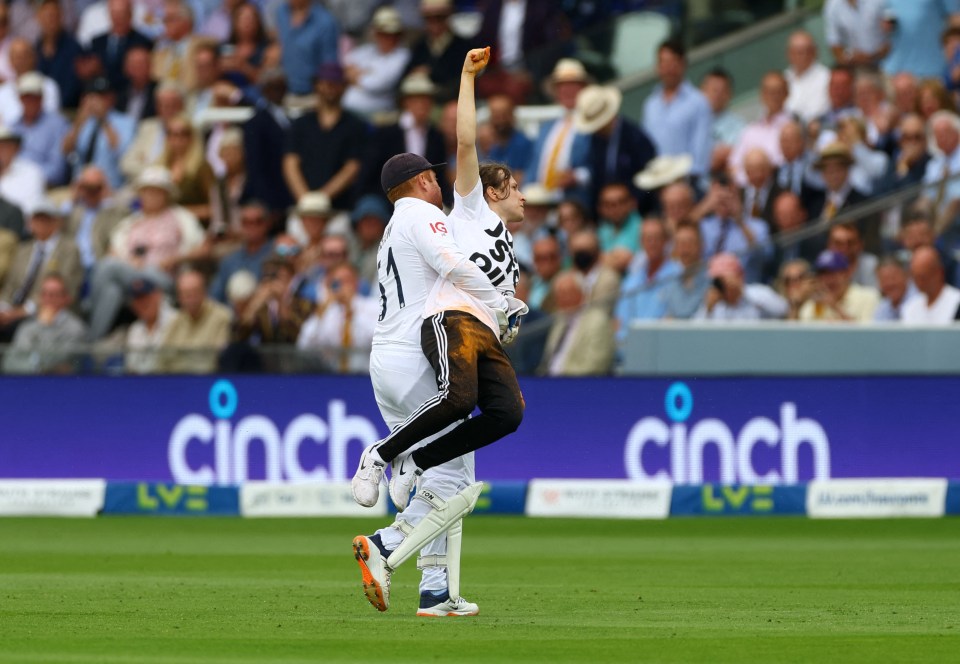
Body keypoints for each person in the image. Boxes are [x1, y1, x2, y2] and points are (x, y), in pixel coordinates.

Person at [350, 48, 525, 618]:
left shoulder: (409, 224)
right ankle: (386, 538)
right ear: (424, 182)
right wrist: (467, 78)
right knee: (452, 477)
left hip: (396, 351)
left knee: (451, 472)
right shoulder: (446, 213)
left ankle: (436, 589)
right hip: (423, 345)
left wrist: (502, 311)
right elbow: (467, 144)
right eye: (516, 186)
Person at [283, 62, 368, 212]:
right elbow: (290, 162)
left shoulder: (355, 125)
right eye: (325, 83)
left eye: (335, 83)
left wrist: (322, 198)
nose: (330, 87)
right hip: (301, 209)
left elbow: (352, 167)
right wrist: (304, 199)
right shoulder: (300, 123)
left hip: (339, 209)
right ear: (316, 85)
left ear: (343, 87)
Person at [0, 201, 84, 341]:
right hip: (12, 309)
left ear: (56, 222)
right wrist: (4, 307)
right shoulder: (23, 250)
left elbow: (63, 288)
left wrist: (21, 311)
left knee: (19, 330)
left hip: (44, 310)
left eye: (46, 219)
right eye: (37, 219)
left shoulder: (69, 249)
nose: (40, 223)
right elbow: (10, 285)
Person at [573, 84, 656, 212]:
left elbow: (650, 173)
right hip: (606, 209)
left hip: (635, 208)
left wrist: (634, 201)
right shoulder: (595, 139)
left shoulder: (634, 136)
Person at [642, 38, 712, 185]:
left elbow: (700, 152)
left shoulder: (698, 102)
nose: (667, 69)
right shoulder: (650, 104)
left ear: (682, 64)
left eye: (671, 63)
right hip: (656, 184)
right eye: (663, 63)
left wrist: (687, 180)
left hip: (687, 184)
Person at [525, 58, 590, 200]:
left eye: (573, 85)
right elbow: (534, 166)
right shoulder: (547, 127)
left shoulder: (591, 124)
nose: (567, 90)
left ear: (583, 89)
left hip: (573, 201)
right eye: (562, 86)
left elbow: (597, 165)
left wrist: (577, 176)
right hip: (540, 202)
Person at [296, 261, 378, 373]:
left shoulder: (373, 306)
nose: (342, 286)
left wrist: (351, 313)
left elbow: (376, 340)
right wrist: (320, 314)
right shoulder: (328, 311)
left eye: (347, 280)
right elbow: (304, 345)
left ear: (356, 283)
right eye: (337, 282)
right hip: (333, 376)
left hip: (366, 375)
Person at [1, 273, 87, 374]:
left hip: (60, 385)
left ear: (66, 298)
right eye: (44, 294)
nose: (48, 299)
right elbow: (10, 362)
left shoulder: (76, 329)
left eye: (53, 295)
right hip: (25, 383)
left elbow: (55, 361)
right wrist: (35, 367)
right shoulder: (27, 326)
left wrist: (44, 326)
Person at [155, 267, 232, 373]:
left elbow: (215, 361)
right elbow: (161, 361)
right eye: (185, 294)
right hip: (175, 382)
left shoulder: (222, 317)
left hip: (207, 382)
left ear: (204, 292)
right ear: (179, 297)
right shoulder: (175, 320)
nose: (190, 298)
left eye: (194, 292)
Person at [539, 270, 615, 376]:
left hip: (578, 383)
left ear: (582, 293)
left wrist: (563, 378)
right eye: (559, 294)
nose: (563, 299)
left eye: (567, 293)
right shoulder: (560, 321)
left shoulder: (598, 321)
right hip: (549, 381)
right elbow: (547, 360)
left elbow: (596, 365)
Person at [614, 216, 681, 335]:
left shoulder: (678, 274)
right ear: (641, 242)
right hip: (632, 347)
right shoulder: (631, 280)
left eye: (657, 238)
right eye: (647, 239)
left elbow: (675, 319)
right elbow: (621, 324)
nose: (652, 243)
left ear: (666, 240)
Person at [341, 6, 410, 118]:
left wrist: (355, 75)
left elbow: (374, 84)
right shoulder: (369, 50)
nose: (387, 38)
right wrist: (364, 73)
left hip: (378, 113)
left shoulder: (402, 56)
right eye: (382, 33)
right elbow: (344, 65)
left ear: (398, 35)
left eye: (391, 34)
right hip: (348, 109)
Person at [11, 72, 69, 187]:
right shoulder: (13, 127)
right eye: (26, 97)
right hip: (13, 184)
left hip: (45, 186)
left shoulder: (58, 125)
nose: (30, 102)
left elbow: (57, 170)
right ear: (20, 99)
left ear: (42, 98)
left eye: (35, 97)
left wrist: (28, 179)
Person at [695, 252, 788, 321]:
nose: (722, 284)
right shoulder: (714, 304)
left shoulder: (757, 292)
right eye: (717, 280)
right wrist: (708, 309)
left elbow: (783, 309)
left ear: (739, 276)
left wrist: (742, 291)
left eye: (723, 279)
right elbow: (694, 332)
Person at [798, 249, 880, 322]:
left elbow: (868, 336)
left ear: (846, 273)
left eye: (833, 273)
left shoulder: (868, 297)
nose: (828, 280)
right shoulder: (811, 306)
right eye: (823, 274)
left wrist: (835, 307)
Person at [124, 276, 176, 373]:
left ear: (158, 295)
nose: (143, 303)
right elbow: (131, 369)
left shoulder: (176, 321)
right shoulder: (134, 330)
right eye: (137, 299)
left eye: (146, 297)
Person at [662, 221, 709, 319]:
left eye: (690, 242)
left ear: (701, 245)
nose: (685, 248)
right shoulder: (671, 282)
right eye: (680, 243)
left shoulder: (712, 279)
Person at [901, 245, 960, 323]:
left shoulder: (957, 303)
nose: (919, 282)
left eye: (923, 277)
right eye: (915, 277)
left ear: (939, 273)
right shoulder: (910, 307)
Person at [823, 0, 888, 69]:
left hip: (890, 57)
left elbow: (893, 23)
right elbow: (834, 41)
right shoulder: (832, 5)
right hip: (860, 66)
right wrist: (849, 56)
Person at [785, 30, 830, 124]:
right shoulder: (784, 78)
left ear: (814, 52)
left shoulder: (826, 77)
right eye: (797, 52)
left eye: (806, 51)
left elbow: (821, 109)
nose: (802, 56)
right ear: (789, 54)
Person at [874, 257, 916, 321]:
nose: (890, 283)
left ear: (906, 276)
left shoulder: (919, 300)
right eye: (884, 280)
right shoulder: (882, 308)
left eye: (893, 278)